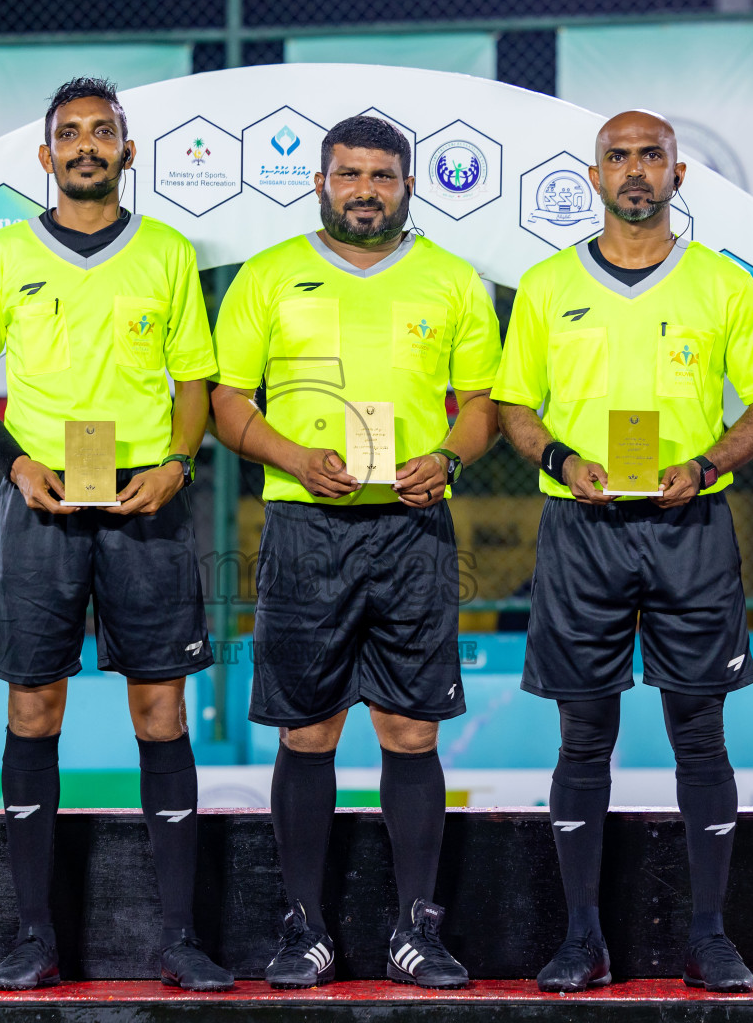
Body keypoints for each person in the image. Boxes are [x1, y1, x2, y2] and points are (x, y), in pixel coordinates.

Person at [491, 109, 753, 994]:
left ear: (678, 174)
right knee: (584, 735)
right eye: (617, 157)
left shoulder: (724, 285)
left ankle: (710, 937)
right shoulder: (549, 285)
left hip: (688, 525)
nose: (634, 171)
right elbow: (516, 407)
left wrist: (704, 464)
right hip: (580, 527)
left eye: (650, 156)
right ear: (594, 176)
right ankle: (582, 940)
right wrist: (561, 459)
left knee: (699, 732)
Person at [0, 77, 233, 992]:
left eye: (101, 132)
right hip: (41, 507)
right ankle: (36, 939)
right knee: (34, 711)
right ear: (45, 156)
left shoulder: (167, 251)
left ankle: (180, 940)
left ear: (127, 150)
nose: (85, 146)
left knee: (162, 712)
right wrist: (14, 462)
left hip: (148, 505)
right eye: (68, 134)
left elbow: (194, 384)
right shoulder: (3, 257)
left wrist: (179, 465)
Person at [209, 116, 502, 990]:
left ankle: (419, 931)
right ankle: (305, 929)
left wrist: (448, 457)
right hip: (305, 526)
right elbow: (227, 402)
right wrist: (295, 457)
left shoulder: (451, 282)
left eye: (381, 174)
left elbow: (481, 406)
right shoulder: (267, 276)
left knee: (411, 728)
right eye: (348, 174)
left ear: (409, 185)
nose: (364, 188)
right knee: (310, 729)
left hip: (411, 527)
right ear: (321, 183)